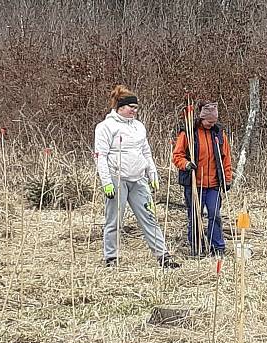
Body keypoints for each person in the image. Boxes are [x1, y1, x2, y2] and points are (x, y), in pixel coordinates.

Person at [94, 85, 180, 268]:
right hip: (117, 179)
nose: (134, 110)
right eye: (130, 107)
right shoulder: (105, 127)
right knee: (114, 220)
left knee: (149, 217)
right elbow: (100, 156)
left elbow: (146, 152)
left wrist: (153, 174)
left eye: (136, 107)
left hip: (138, 180)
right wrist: (106, 182)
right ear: (120, 107)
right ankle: (111, 258)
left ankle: (163, 256)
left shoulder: (139, 127)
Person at [173, 101, 233, 258]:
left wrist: (227, 179)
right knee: (195, 215)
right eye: (209, 121)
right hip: (194, 183)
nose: (212, 124)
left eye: (214, 121)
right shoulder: (188, 133)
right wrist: (186, 164)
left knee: (215, 215)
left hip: (213, 184)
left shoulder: (219, 134)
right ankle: (197, 246)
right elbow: (177, 156)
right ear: (201, 118)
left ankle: (217, 247)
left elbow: (226, 159)